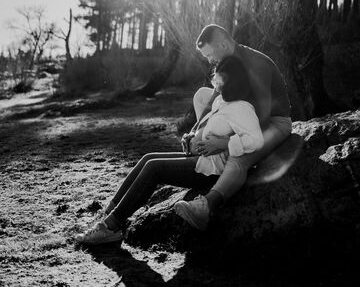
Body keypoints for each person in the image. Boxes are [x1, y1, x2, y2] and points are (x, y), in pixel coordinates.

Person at [75, 56, 263, 244]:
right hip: (201, 159)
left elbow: (255, 140)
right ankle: (109, 211)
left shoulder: (242, 107)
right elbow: (209, 129)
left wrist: (224, 144)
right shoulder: (221, 101)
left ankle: (110, 227)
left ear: (233, 81)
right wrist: (192, 137)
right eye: (215, 80)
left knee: (154, 169)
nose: (216, 85)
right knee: (148, 158)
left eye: (219, 81)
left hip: (212, 169)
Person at [176, 23, 292, 230]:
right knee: (202, 94)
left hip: (273, 121)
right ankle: (206, 157)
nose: (210, 61)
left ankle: (206, 206)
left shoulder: (256, 64)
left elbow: (263, 117)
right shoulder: (226, 61)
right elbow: (213, 101)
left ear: (223, 44)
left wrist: (227, 142)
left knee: (239, 155)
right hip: (242, 114)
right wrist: (195, 133)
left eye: (210, 55)